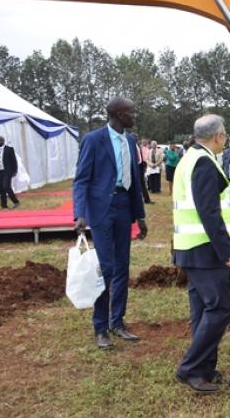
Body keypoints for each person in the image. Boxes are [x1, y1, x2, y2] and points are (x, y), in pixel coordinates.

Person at [171, 114, 230, 394]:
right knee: (220, 307)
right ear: (218, 136)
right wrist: (229, 252)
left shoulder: (191, 158)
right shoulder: (203, 162)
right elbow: (208, 212)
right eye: (224, 134)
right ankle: (190, 368)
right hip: (204, 249)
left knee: (202, 310)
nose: (225, 138)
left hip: (192, 246)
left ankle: (205, 370)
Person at [72, 97, 148, 349]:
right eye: (131, 111)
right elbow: (81, 179)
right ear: (117, 114)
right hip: (102, 209)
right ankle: (100, 326)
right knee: (105, 269)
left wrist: (140, 216)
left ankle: (118, 322)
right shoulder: (94, 140)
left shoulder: (129, 140)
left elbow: (136, 180)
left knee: (122, 267)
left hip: (125, 207)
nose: (135, 115)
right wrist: (80, 213)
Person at [0, 136, 20, 209]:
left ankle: (16, 202)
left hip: (7, 171)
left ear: (4, 141)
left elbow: (14, 160)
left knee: (6, 186)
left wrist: (15, 170)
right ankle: (4, 205)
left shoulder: (9, 149)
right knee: (1, 188)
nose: (0, 142)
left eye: (1, 140)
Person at [131, 134, 152, 204]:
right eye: (135, 138)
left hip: (140, 166)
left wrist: (144, 166)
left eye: (137, 138)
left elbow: (141, 157)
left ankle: (147, 200)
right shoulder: (130, 147)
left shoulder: (138, 146)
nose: (136, 139)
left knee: (142, 184)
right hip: (134, 167)